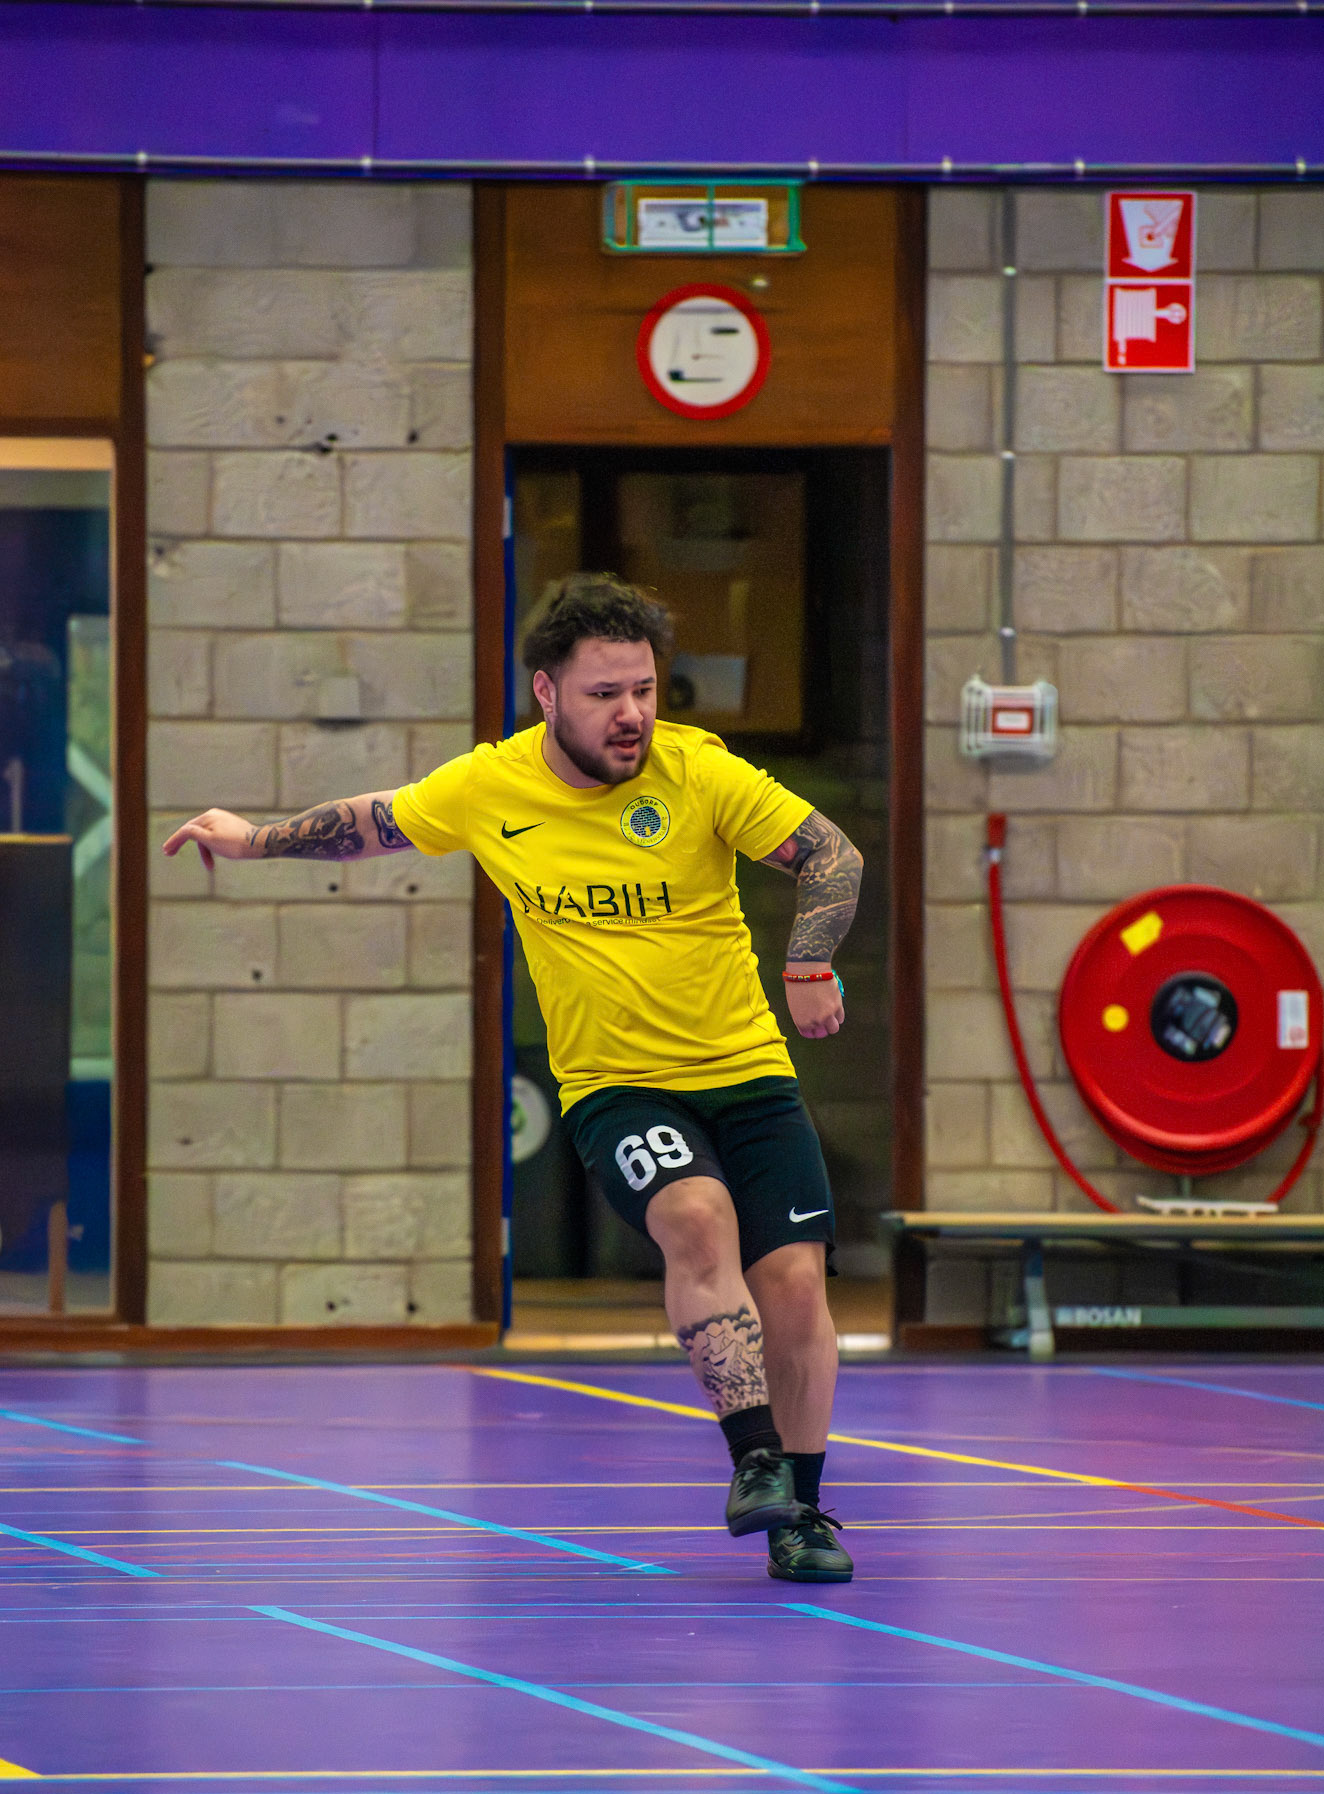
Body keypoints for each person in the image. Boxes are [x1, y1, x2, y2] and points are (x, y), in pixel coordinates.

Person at [163, 574, 864, 1582]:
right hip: (618, 1085)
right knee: (697, 1217)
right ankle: (753, 1456)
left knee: (794, 1285)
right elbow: (376, 819)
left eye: (644, 690)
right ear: (546, 693)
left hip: (747, 1071)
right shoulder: (491, 787)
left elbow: (830, 854)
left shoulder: (699, 772)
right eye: (604, 694)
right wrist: (255, 839)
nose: (630, 714)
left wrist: (806, 964)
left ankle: (800, 1509)